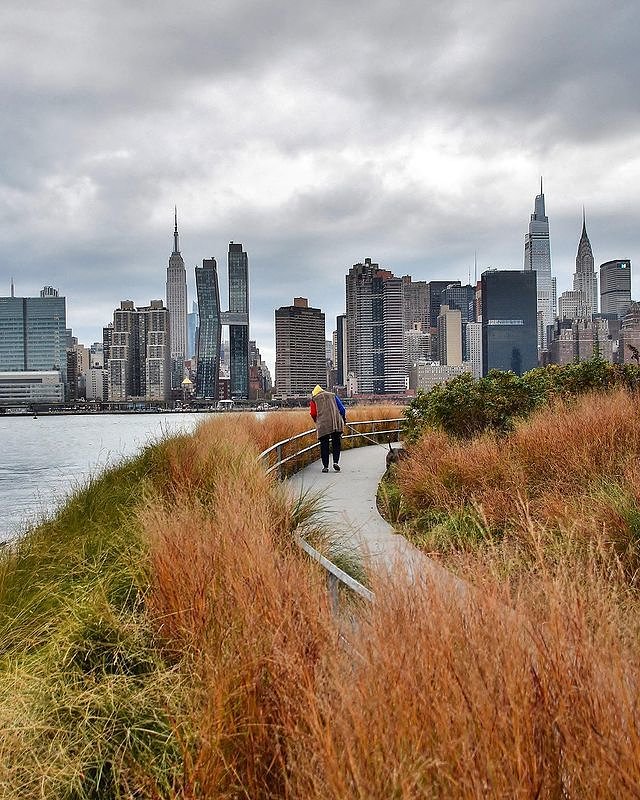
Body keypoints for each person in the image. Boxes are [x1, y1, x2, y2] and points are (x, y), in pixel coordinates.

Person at [309, 385, 346, 473]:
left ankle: (325, 466)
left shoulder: (314, 399)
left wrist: (316, 421)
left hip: (323, 425)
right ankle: (336, 462)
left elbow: (313, 413)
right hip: (335, 423)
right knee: (336, 443)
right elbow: (342, 409)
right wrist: (343, 419)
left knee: (324, 445)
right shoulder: (333, 395)